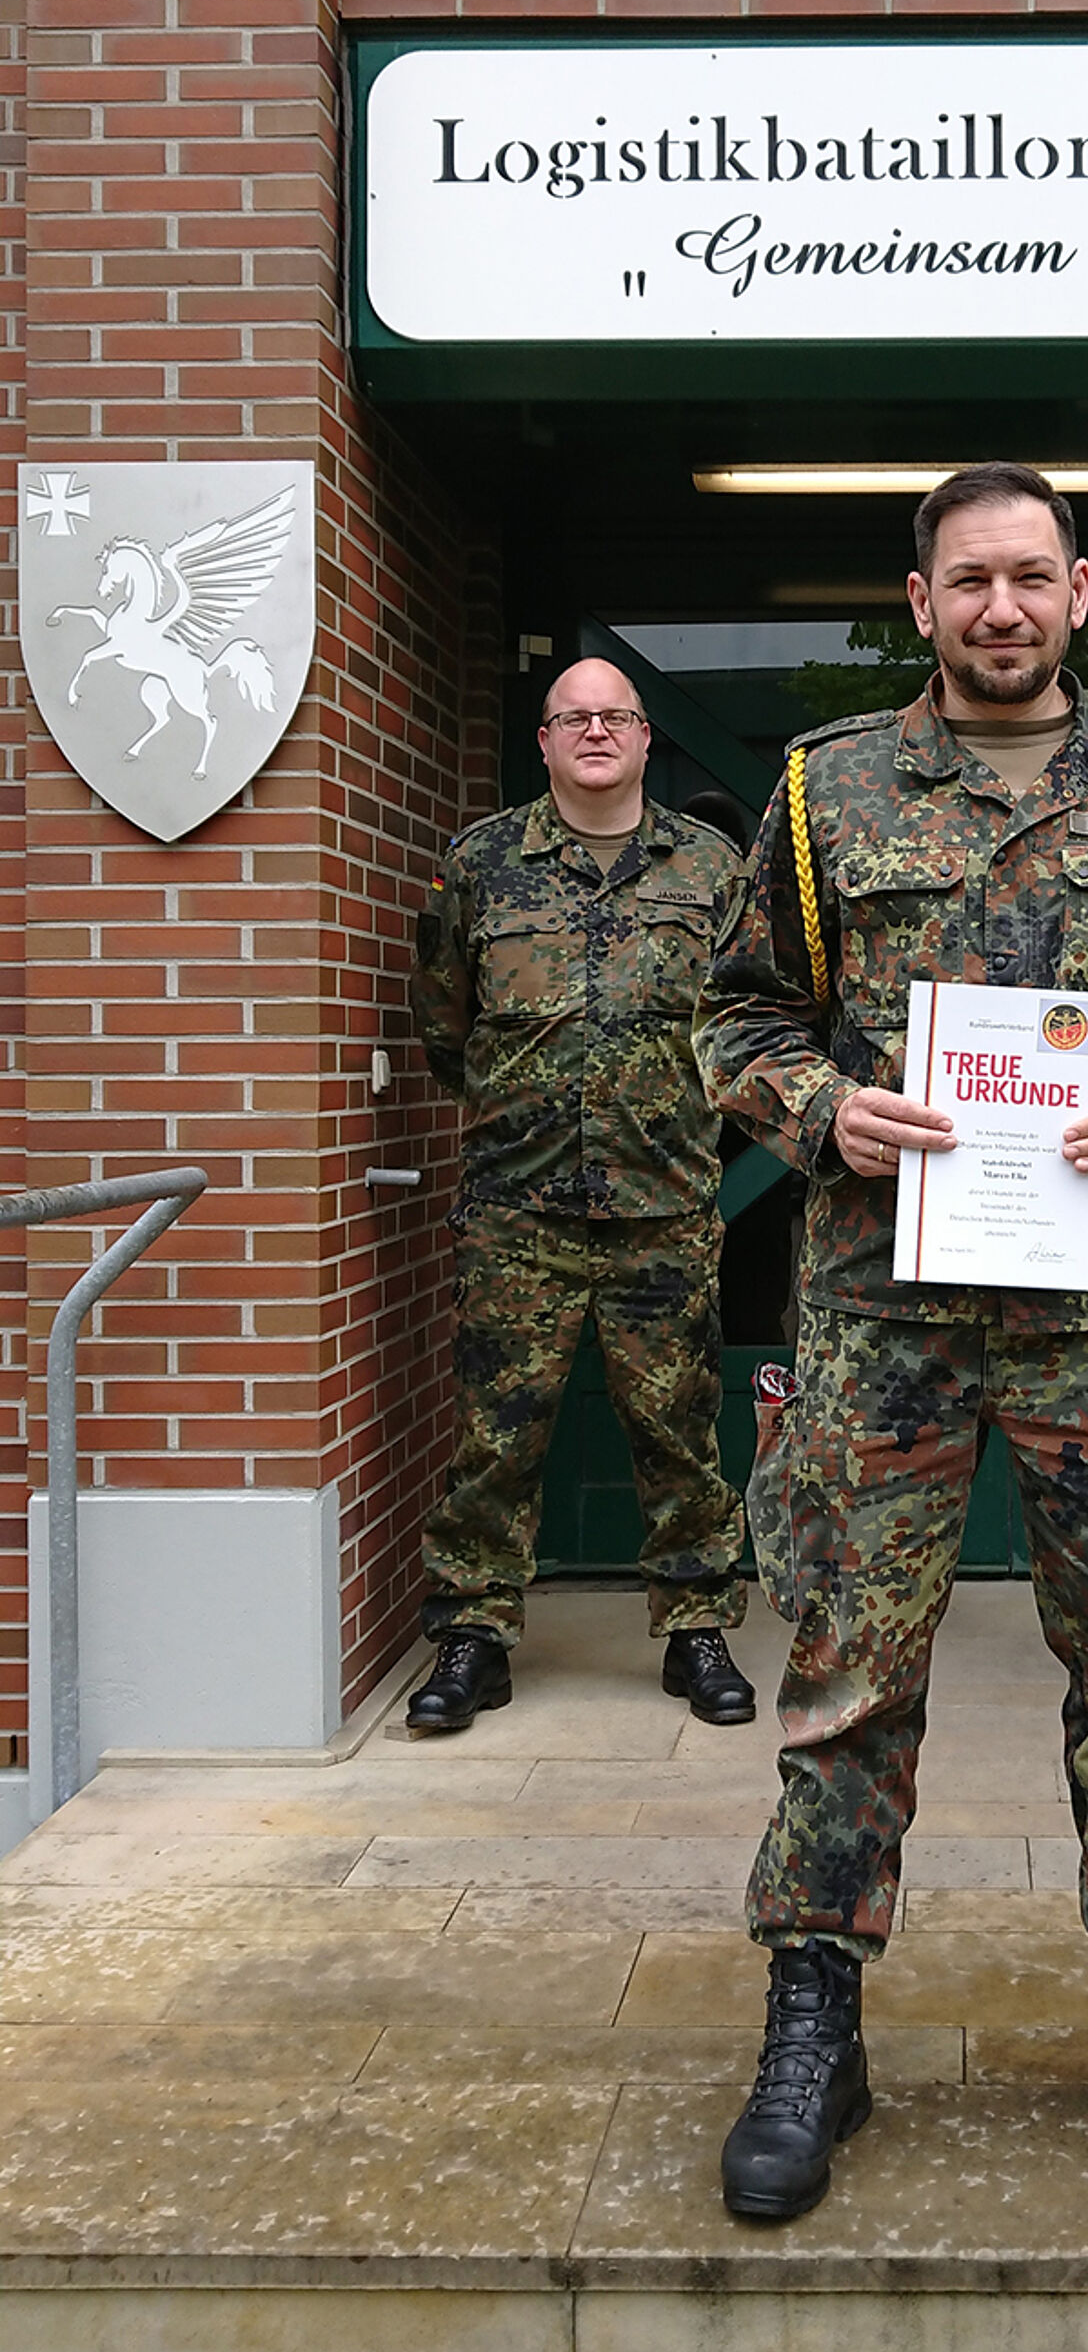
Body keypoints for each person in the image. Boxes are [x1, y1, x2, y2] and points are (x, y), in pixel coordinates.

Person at [694, 462, 1088, 2220]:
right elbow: (734, 1015)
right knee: (848, 1675)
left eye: (1033, 577)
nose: (1004, 609)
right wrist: (822, 1109)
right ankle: (816, 2014)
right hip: (885, 1312)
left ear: (1082, 592)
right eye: (972, 581)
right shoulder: (824, 789)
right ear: (922, 596)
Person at [407, 658, 754, 1734]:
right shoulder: (482, 863)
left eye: (616, 717)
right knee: (496, 1437)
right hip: (519, 1214)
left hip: (665, 1206)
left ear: (648, 739)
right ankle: (475, 1636)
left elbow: (748, 1020)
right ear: (546, 740)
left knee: (680, 1430)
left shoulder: (712, 869)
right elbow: (443, 1027)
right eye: (574, 718)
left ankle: (697, 1627)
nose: (596, 731)